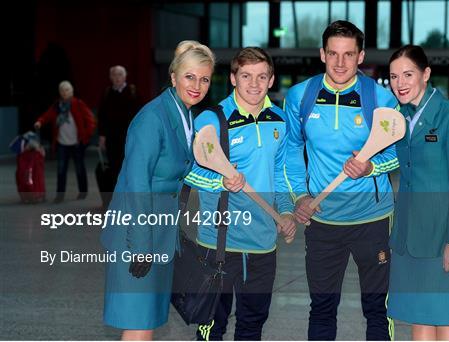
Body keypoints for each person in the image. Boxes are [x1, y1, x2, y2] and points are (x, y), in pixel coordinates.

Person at [283, 20, 399, 340]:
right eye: (333, 53)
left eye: (348, 55)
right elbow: (291, 152)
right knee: (321, 307)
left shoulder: (381, 99)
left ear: (361, 57)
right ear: (322, 54)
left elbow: (398, 154)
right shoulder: (300, 96)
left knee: (377, 309)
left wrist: (369, 168)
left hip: (372, 220)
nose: (340, 63)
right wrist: (300, 198)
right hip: (323, 221)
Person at [100, 40, 215, 341]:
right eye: (190, 76)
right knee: (138, 325)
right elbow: (135, 184)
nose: (197, 85)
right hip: (138, 236)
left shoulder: (183, 114)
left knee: (146, 322)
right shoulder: (152, 118)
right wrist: (140, 245)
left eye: (204, 78)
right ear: (174, 76)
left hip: (160, 234)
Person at [184, 47, 296, 341]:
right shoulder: (212, 120)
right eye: (246, 76)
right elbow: (190, 172)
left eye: (262, 76)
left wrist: (285, 211)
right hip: (218, 244)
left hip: (262, 245)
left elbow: (280, 175)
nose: (254, 84)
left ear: (271, 80)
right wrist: (221, 182)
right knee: (211, 327)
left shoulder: (280, 121)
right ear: (233, 78)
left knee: (252, 326)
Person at [386, 45, 449, 341]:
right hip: (409, 235)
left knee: (447, 318)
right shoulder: (398, 120)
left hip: (442, 237)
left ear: (426, 74)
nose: (400, 83)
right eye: (394, 76)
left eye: (408, 74)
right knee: (419, 317)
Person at [34, 80, 96, 203]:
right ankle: (60, 195)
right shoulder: (57, 106)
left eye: (67, 90)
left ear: (71, 91)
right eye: (62, 90)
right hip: (62, 143)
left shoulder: (78, 104)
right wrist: (40, 121)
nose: (64, 92)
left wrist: (86, 135)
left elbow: (90, 120)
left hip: (77, 143)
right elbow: (47, 115)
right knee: (61, 169)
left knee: (80, 168)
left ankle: (83, 192)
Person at [97, 65, 141, 192]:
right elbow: (102, 116)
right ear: (110, 77)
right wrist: (102, 136)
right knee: (114, 166)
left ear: (125, 76)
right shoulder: (107, 93)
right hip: (112, 137)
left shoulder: (133, 92)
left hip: (129, 136)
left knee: (130, 166)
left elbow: (141, 115)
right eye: (114, 75)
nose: (117, 78)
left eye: (120, 74)